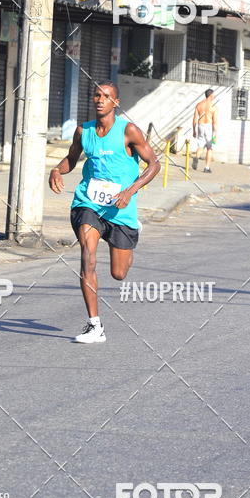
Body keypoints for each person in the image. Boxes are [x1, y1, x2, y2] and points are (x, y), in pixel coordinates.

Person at [48, 81, 160, 344]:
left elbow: (154, 164)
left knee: (118, 273)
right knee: (87, 255)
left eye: (106, 96)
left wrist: (129, 192)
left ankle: (132, 234)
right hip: (89, 203)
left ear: (116, 103)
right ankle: (94, 325)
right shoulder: (83, 131)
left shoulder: (129, 131)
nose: (100, 99)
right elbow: (71, 160)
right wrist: (56, 169)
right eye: (97, 95)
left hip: (121, 208)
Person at [192, 88, 217, 173]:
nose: (214, 96)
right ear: (210, 95)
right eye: (213, 95)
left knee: (200, 145)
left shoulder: (199, 105)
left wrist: (194, 130)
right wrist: (215, 133)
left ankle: (196, 157)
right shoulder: (213, 106)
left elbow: (195, 118)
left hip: (200, 125)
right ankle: (206, 168)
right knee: (209, 148)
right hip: (209, 127)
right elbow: (215, 121)